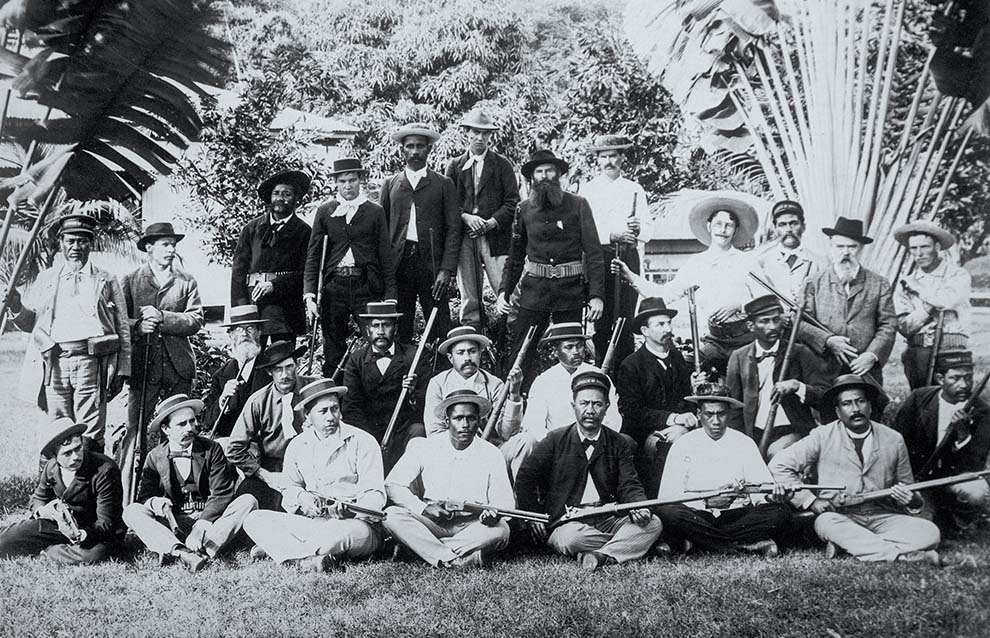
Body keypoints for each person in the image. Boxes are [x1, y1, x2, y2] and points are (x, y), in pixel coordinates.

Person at [769, 375, 942, 564]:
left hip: (882, 516)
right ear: (837, 410)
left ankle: (850, 545)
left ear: (870, 405)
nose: (855, 409)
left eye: (861, 401)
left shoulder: (893, 439)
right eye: (847, 404)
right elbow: (779, 465)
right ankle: (901, 557)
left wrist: (912, 500)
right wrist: (811, 501)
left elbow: (907, 487)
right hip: (839, 516)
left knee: (929, 533)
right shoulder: (822, 436)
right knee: (826, 524)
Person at [515, 370, 662, 572]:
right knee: (570, 539)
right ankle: (628, 547)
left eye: (597, 404)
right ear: (573, 406)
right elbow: (525, 478)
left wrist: (639, 507)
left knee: (653, 523)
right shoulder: (555, 439)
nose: (590, 410)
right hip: (569, 523)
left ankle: (600, 555)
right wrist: (533, 515)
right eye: (584, 403)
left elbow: (630, 483)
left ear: (606, 408)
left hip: (608, 517)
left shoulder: (618, 442)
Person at [6, 214, 130, 451]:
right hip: (54, 364)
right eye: (70, 241)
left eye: (82, 241)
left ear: (90, 244)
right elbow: (31, 323)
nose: (75, 247)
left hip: (91, 364)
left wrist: (122, 370)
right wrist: (15, 305)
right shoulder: (47, 278)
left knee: (91, 431)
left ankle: (92, 484)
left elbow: (122, 328)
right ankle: (53, 485)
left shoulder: (107, 279)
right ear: (61, 243)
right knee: (55, 428)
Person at [244, 379, 386, 572]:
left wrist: (350, 510)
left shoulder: (362, 441)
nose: (331, 417)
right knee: (255, 519)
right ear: (307, 416)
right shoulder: (298, 445)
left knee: (335, 534)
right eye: (323, 411)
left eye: (334, 409)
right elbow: (290, 487)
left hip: (357, 525)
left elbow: (375, 494)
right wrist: (303, 498)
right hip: (315, 522)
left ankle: (280, 550)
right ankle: (306, 560)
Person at [613, 193, 761, 377]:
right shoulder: (697, 263)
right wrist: (630, 275)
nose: (723, 230)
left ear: (736, 229)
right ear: (709, 226)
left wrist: (739, 305)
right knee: (682, 372)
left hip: (745, 340)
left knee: (747, 382)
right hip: (713, 342)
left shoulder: (748, 261)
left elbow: (765, 300)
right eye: (718, 224)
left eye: (729, 225)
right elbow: (664, 295)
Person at [496, 149, 604, 389]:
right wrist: (504, 291)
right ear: (532, 177)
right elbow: (515, 257)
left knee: (573, 352)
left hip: (570, 294)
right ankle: (517, 401)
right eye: (539, 171)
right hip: (534, 292)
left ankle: (575, 400)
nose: (544, 176)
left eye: (549, 171)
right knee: (521, 351)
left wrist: (596, 296)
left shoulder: (578, 204)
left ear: (558, 174)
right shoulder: (523, 209)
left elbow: (594, 254)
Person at [119, 222, 204, 502]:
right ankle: (127, 499)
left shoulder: (187, 280)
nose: (171, 249)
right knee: (136, 432)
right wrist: (137, 326)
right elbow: (118, 322)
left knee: (181, 429)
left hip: (178, 366)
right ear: (149, 248)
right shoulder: (131, 280)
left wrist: (163, 317)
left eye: (173, 244)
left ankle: (180, 494)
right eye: (165, 244)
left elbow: (196, 320)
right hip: (143, 366)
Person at [123, 394, 258, 571]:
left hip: (210, 522)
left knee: (248, 501)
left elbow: (222, 493)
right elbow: (144, 497)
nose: (190, 428)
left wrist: (201, 525)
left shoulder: (212, 449)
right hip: (175, 523)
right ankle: (180, 551)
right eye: (182, 424)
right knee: (132, 511)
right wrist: (156, 502)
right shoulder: (155, 457)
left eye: (192, 421)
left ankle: (205, 548)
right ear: (166, 429)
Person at [656, 383, 792, 557]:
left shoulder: (744, 443)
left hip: (736, 516)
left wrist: (773, 496)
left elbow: (761, 490)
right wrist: (706, 502)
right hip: (697, 515)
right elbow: (667, 497)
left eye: (721, 414)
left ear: (728, 414)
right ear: (699, 414)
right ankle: (743, 546)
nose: (715, 421)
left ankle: (698, 543)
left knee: (780, 512)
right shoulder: (683, 444)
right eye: (709, 414)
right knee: (669, 513)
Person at [384, 389, 514, 568]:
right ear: (447, 421)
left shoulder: (491, 453)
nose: (465, 425)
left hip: (473, 525)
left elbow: (504, 502)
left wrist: (490, 516)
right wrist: (423, 509)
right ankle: (455, 559)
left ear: (479, 420)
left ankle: (418, 551)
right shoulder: (426, 447)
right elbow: (393, 484)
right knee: (390, 516)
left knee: (501, 530)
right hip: (433, 522)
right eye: (458, 418)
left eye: (471, 418)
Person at [304, 158, 396, 376]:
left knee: (377, 341)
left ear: (360, 180)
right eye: (343, 181)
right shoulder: (325, 211)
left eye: (352, 180)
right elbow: (314, 255)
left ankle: (372, 393)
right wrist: (309, 295)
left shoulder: (374, 211)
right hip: (334, 288)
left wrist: (390, 294)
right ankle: (333, 398)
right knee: (333, 348)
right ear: (336, 182)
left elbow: (386, 255)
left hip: (366, 286)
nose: (348, 186)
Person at [501, 324, 620, 477]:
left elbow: (613, 419)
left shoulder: (599, 377)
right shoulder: (544, 380)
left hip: (595, 442)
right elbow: (534, 425)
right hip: (555, 447)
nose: (576, 352)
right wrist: (561, 445)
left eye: (579, 346)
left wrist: (592, 439)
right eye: (569, 347)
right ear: (556, 351)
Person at [0, 418, 124, 564]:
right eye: (67, 453)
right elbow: (38, 498)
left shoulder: (105, 470)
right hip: (60, 525)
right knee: (5, 541)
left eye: (78, 448)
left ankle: (48, 552)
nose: (75, 457)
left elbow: (106, 523)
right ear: (54, 456)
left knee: (93, 555)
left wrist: (80, 535)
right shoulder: (51, 467)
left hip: (95, 532)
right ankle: (59, 549)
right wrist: (44, 511)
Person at [892, 349, 990, 534]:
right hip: (919, 481)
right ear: (939, 378)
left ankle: (961, 524)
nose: (964, 385)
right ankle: (936, 518)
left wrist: (963, 435)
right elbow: (896, 440)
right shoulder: (919, 400)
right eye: (955, 378)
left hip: (954, 480)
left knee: (976, 491)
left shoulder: (982, 411)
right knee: (920, 528)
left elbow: (974, 467)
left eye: (968, 378)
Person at [380, 123, 461, 342]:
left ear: (429, 150)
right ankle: (403, 373)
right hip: (400, 265)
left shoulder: (443, 184)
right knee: (401, 327)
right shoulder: (390, 184)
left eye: (420, 146)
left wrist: (446, 270)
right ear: (402, 150)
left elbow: (454, 229)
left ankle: (441, 371)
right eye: (410, 146)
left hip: (432, 265)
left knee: (440, 324)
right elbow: (382, 230)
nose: (415, 151)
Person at [444, 107, 520, 332]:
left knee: (505, 287)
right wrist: (466, 217)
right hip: (466, 237)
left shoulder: (502, 165)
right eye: (475, 132)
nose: (480, 138)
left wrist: (491, 222)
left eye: (485, 133)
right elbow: (448, 204)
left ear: (490, 136)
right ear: (466, 133)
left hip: (495, 237)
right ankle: (472, 333)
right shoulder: (455, 165)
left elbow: (513, 202)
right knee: (469, 290)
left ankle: (513, 332)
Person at [725, 295, 828, 458]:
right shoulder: (739, 357)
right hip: (754, 433)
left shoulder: (800, 353)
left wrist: (797, 386)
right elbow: (733, 408)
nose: (772, 326)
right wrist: (739, 442)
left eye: (776, 320)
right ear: (751, 325)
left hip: (794, 431)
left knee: (776, 453)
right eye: (764, 321)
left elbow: (824, 397)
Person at [797, 217, 896, 386]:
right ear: (831, 247)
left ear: (862, 249)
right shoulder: (813, 282)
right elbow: (799, 322)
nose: (846, 253)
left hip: (863, 367)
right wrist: (827, 340)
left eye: (852, 247)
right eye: (840, 246)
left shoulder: (879, 283)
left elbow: (888, 325)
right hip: (823, 365)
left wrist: (871, 355)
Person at [615, 298, 699, 496]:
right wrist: (673, 419)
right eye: (660, 324)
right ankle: (663, 499)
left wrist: (695, 392)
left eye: (669, 323)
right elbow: (633, 412)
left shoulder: (677, 358)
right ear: (645, 331)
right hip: (644, 433)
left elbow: (685, 399)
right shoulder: (631, 365)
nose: (667, 329)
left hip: (680, 427)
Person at [581, 135, 650, 367]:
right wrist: (612, 235)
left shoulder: (635, 189)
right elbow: (584, 230)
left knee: (625, 319)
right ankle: (603, 371)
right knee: (601, 319)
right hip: (598, 258)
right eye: (604, 157)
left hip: (628, 258)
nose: (609, 161)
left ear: (622, 158)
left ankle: (625, 375)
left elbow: (648, 230)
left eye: (613, 156)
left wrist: (637, 230)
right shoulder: (588, 189)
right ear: (597, 160)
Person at [226, 340, 316, 511]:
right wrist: (265, 475)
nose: (285, 375)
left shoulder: (314, 388)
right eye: (278, 369)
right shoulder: (258, 401)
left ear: (297, 365)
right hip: (273, 467)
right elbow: (234, 448)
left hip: (312, 464)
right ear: (269, 372)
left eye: (289, 367)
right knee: (249, 504)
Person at [341, 301, 429, 470]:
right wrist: (370, 439)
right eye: (375, 325)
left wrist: (412, 395)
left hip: (403, 431)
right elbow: (351, 407)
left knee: (418, 432)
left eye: (386, 325)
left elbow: (427, 403)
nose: (381, 331)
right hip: (369, 432)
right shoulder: (356, 360)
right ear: (367, 330)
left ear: (395, 328)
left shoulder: (414, 356)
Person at [230, 169, 312, 345]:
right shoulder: (251, 229)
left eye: (286, 194)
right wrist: (240, 309)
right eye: (276, 193)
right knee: (250, 359)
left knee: (281, 359)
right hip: (253, 305)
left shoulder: (304, 232)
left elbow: (306, 273)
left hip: (285, 308)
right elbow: (238, 272)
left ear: (296, 199)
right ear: (269, 197)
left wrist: (274, 285)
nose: (280, 198)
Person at [892, 221, 971, 389]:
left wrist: (918, 289)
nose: (919, 254)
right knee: (922, 400)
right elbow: (903, 326)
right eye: (913, 248)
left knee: (954, 401)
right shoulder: (906, 282)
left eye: (924, 247)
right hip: (918, 352)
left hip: (953, 349)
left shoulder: (958, 275)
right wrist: (927, 309)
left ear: (937, 246)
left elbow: (945, 301)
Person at [421, 326, 522, 439]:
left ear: (479, 354)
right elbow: (435, 431)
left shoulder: (495, 384)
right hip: (449, 450)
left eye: (472, 351)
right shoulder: (438, 383)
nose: (467, 358)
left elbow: (507, 434)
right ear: (450, 358)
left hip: (490, 449)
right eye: (460, 353)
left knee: (526, 442)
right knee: (415, 443)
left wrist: (514, 394)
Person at [200, 305, 271, 440]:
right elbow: (206, 422)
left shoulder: (271, 368)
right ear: (231, 335)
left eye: (249, 328)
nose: (244, 334)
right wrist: (222, 401)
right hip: (232, 442)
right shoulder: (221, 375)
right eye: (239, 329)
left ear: (259, 332)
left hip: (265, 443)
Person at [756, 200, 821, 305]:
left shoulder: (819, 261)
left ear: (803, 227)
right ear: (775, 229)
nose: (789, 229)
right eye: (782, 225)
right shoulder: (762, 262)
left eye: (794, 223)